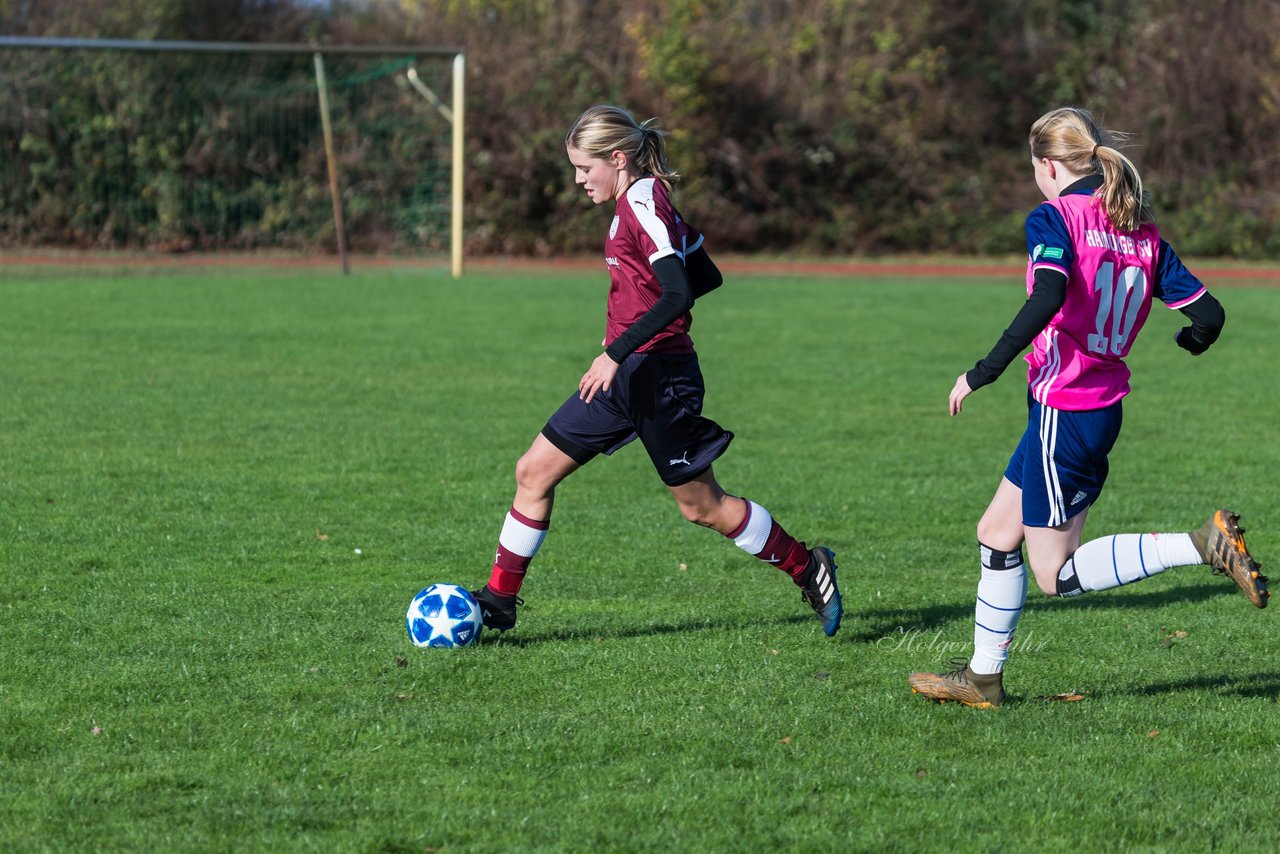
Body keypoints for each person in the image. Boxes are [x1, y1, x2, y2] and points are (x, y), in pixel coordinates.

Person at [908, 106, 1267, 708]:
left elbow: (1047, 293)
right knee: (997, 532)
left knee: (1057, 573)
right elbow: (1210, 315)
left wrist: (982, 371)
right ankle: (983, 680)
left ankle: (1203, 543)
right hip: (1099, 409)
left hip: (1063, 409)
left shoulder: (1054, 217)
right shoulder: (1139, 226)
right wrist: (1191, 340)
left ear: (1048, 166)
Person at [471, 104, 842, 636]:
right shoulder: (644, 203)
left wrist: (618, 349)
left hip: (658, 377)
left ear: (617, 159)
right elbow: (706, 275)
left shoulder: (642, 205)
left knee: (703, 507)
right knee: (532, 471)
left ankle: (809, 568)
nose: (578, 181)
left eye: (584, 168)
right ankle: (500, 600)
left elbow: (680, 292)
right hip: (625, 375)